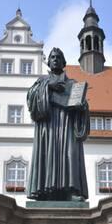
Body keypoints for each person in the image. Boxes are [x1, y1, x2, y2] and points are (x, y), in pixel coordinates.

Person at [26, 47, 90, 201]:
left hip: (66, 126)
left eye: (58, 57)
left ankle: (70, 191)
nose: (55, 59)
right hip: (47, 126)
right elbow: (31, 99)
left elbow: (82, 105)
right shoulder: (41, 81)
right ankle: (44, 192)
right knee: (46, 155)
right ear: (48, 62)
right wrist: (47, 87)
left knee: (69, 155)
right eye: (52, 57)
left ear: (64, 62)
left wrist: (82, 108)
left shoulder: (73, 84)